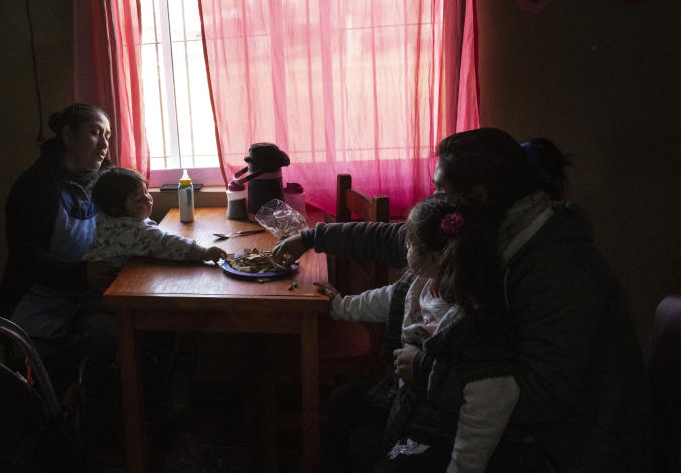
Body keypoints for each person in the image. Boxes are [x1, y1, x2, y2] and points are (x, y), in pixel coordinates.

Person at [274, 128, 649, 471]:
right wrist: (311, 238)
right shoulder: (485, 230)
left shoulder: (558, 269)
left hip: (559, 442)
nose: (432, 198)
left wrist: (423, 371)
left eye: (439, 189)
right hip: (476, 393)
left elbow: (539, 399)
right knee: (345, 405)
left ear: (477, 196)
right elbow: (396, 241)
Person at [316, 193, 517, 472]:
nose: (404, 247)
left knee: (395, 463)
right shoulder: (421, 281)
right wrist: (340, 307)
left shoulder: (475, 322)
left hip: (432, 431)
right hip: (405, 400)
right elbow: (388, 299)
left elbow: (492, 401)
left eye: (409, 242)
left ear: (434, 255)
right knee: (343, 401)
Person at [0, 103, 114, 366]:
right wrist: (82, 274)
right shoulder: (35, 187)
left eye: (107, 136)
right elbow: (25, 256)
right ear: (68, 136)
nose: (104, 144)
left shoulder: (102, 182)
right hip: (34, 312)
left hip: (77, 300)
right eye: (95, 133)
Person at [85, 167, 225, 294]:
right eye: (138, 199)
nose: (147, 199)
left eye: (146, 191)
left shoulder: (109, 218)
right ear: (116, 209)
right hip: (114, 290)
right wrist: (203, 252)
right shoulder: (132, 232)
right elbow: (165, 243)